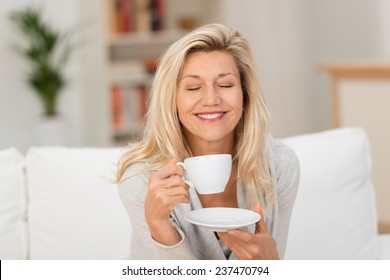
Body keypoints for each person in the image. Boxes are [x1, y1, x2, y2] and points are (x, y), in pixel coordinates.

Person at [116, 23, 299, 260]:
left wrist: (271, 264)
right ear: (173, 100)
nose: (211, 99)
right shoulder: (141, 177)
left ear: (245, 95)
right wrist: (159, 225)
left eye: (225, 85)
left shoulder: (279, 165)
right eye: (193, 87)